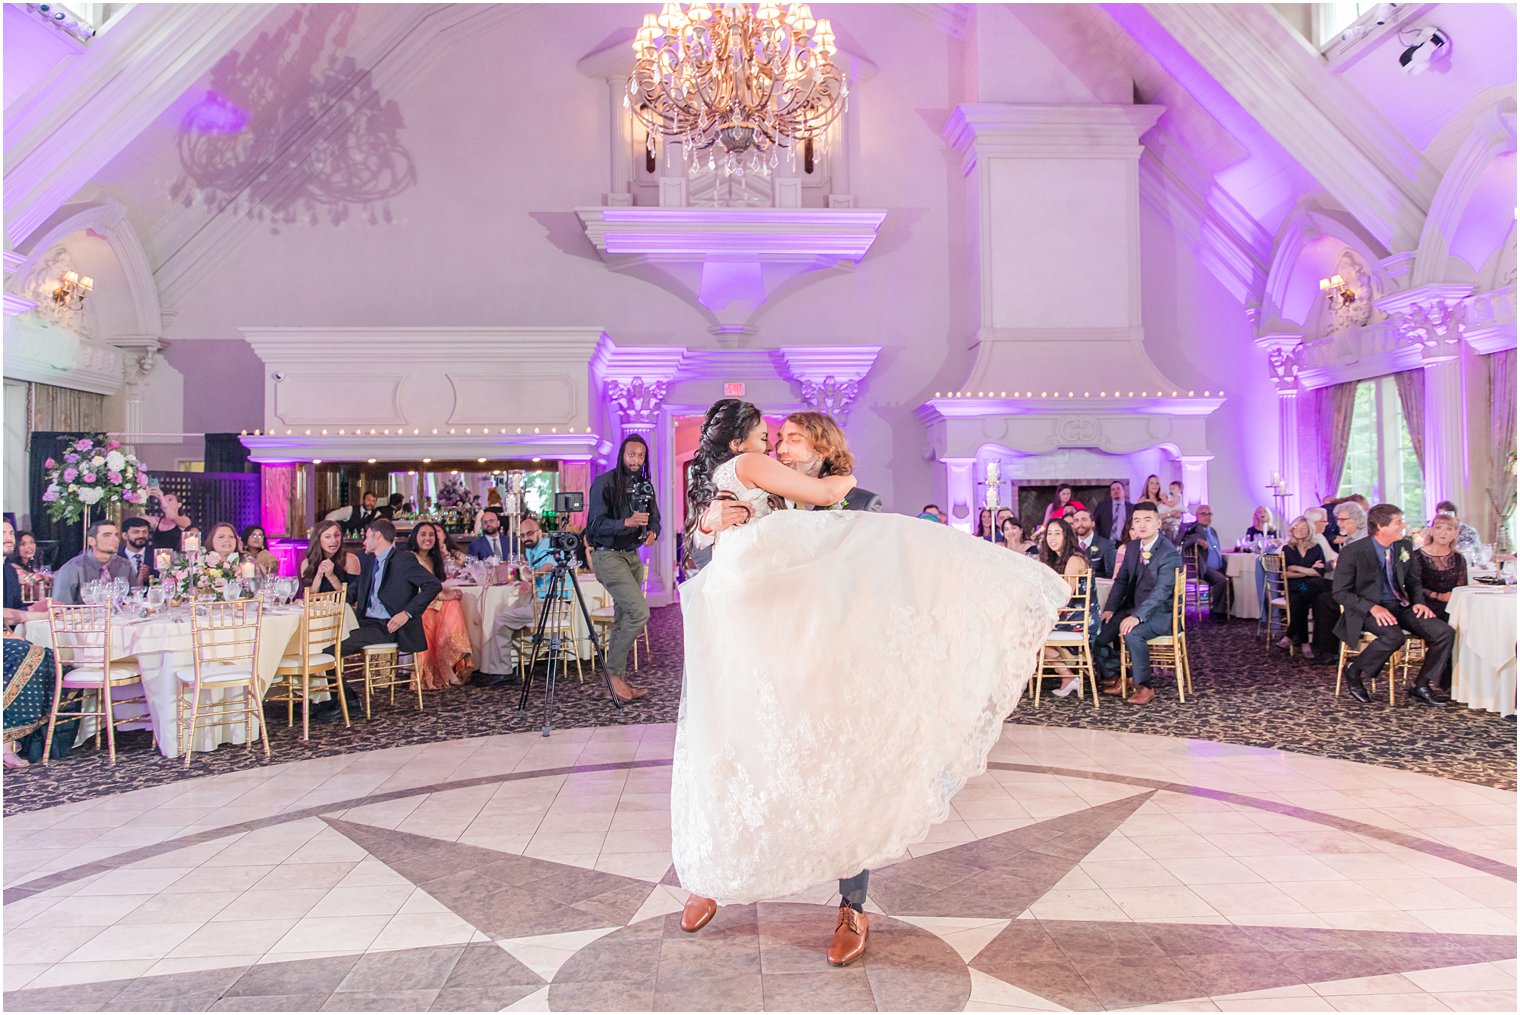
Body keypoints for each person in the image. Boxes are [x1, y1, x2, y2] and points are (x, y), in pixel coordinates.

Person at [672, 399, 1067, 967]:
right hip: (756, 653)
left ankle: (851, 905)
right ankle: (714, 874)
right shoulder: (743, 486)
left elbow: (888, 573)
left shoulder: (859, 500)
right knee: (739, 752)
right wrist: (708, 523)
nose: (779, 445)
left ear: (822, 448)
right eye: (773, 437)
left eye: (792, 439)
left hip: (830, 658)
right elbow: (700, 553)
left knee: (841, 765)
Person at [315, 519, 442, 721]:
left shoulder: (403, 560)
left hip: (389, 626)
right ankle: (333, 700)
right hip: (366, 622)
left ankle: (344, 701)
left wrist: (406, 613)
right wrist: (329, 577)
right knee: (323, 642)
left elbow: (433, 585)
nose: (363, 541)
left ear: (377, 536)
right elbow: (350, 596)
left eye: (366, 536)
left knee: (330, 649)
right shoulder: (368, 561)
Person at [1332, 503, 1454, 706]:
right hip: (1366, 610)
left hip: (1400, 605)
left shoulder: (1404, 546)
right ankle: (1354, 670)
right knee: (1393, 636)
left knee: (1444, 633)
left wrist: (1419, 603)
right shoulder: (1353, 551)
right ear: (1380, 526)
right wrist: (1373, 608)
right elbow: (1340, 593)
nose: (1404, 526)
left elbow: (1414, 581)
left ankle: (1421, 685)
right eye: (1398, 522)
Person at [585, 435, 659, 704]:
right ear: (622, 455)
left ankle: (615, 680)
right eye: (631, 455)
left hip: (632, 557)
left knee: (622, 618)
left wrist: (652, 532)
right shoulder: (604, 483)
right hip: (608, 557)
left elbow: (656, 520)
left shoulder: (644, 485)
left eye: (640, 456)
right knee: (639, 612)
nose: (636, 460)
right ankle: (612, 677)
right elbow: (594, 526)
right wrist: (625, 522)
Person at [1094, 502, 1182, 706]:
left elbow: (1162, 591)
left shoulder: (1169, 553)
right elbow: (1122, 580)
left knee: (1133, 633)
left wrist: (1137, 616)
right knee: (1098, 632)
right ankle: (1122, 674)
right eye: (1137, 521)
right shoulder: (1133, 547)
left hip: (1161, 613)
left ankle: (1145, 686)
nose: (1142, 525)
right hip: (1132, 608)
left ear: (1158, 523)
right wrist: (1110, 608)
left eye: (1147, 520)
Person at [408, 522, 474, 689]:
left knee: (453, 604)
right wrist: (445, 595)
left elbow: (436, 585)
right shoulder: (410, 558)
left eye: (431, 535)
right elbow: (419, 589)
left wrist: (448, 593)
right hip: (415, 605)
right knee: (448, 606)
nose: (428, 538)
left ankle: (447, 664)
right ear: (415, 537)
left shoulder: (433, 559)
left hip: (432, 602)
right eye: (423, 534)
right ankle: (441, 667)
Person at [1038, 517, 1097, 698]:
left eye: (1058, 533)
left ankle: (1066, 673)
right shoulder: (1055, 559)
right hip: (1069, 615)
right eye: (1049, 533)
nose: (1052, 538)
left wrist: (1045, 614)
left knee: (1030, 633)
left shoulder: (1074, 559)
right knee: (1021, 627)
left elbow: (1065, 596)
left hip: (1080, 618)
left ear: (1067, 536)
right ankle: (1066, 672)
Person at [51, 521, 137, 604]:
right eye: (107, 535)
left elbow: (133, 599)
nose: (115, 540)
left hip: (119, 617)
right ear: (91, 541)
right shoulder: (72, 568)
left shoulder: (125, 565)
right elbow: (60, 607)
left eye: (116, 535)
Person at [1279, 517, 1329, 659]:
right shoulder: (1287, 549)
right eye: (1296, 527)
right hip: (1295, 586)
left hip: (1310, 587)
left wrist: (1295, 568)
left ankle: (1291, 636)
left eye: (1303, 528)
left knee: (1299, 600)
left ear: (1309, 530)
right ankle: (1304, 643)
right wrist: (1308, 570)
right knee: (1299, 601)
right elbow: (1285, 575)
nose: (1299, 531)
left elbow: (1318, 573)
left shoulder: (1316, 548)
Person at [1178, 505, 1229, 621]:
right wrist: (1197, 540)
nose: (1207, 517)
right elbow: (1182, 542)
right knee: (1220, 580)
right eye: (1203, 514)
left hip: (1219, 566)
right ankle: (1217, 612)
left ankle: (1230, 611)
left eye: (1209, 514)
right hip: (1205, 568)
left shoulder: (1212, 531)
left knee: (1234, 578)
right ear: (1197, 516)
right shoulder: (1193, 528)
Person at [300, 520, 359, 597]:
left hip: (343, 608)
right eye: (327, 537)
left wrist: (331, 576)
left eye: (337, 535)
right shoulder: (307, 563)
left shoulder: (350, 559)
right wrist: (318, 576)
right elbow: (307, 597)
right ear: (318, 539)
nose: (334, 541)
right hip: (316, 608)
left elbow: (352, 597)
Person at [1070, 509, 1116, 579]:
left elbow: (1110, 574)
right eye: (1076, 520)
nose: (1080, 524)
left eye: (1084, 520)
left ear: (1093, 523)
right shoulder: (1069, 544)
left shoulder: (1106, 545)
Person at [118, 517, 156, 586]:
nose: (141, 535)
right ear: (125, 536)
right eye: (136, 532)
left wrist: (148, 577)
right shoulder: (116, 558)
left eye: (144, 532)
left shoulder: (156, 556)